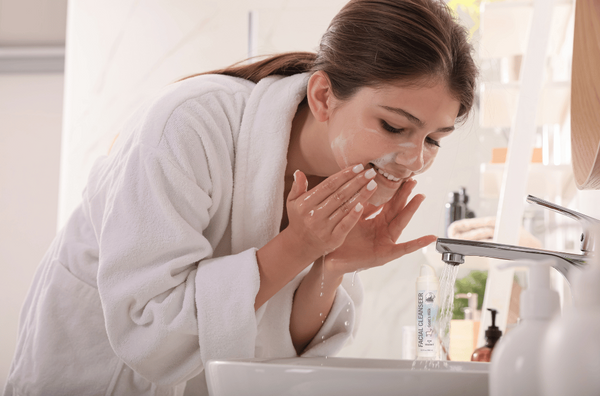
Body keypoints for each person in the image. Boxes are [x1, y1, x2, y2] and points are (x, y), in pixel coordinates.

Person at [4, 0, 477, 394]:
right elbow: (149, 329)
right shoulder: (190, 125)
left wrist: (331, 267)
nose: (414, 159)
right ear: (323, 97)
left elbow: (277, 349)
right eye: (395, 126)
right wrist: (298, 248)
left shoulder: (340, 179)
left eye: (434, 139)